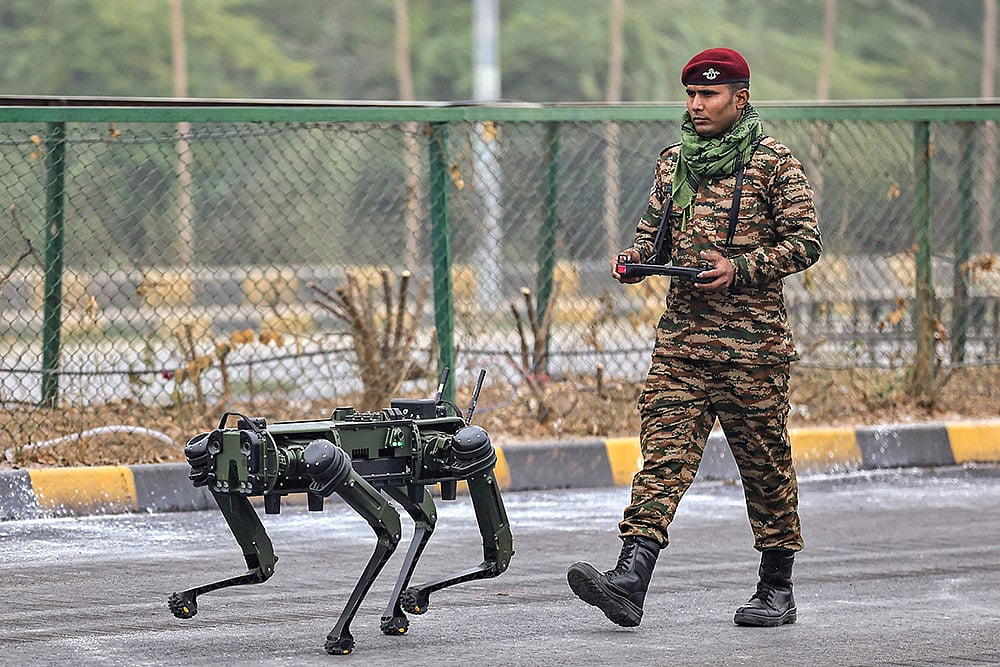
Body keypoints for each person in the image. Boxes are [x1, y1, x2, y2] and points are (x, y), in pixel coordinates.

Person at [567, 47, 822, 629]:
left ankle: (776, 588)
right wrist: (635, 260)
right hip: (683, 346)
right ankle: (630, 579)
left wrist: (743, 268)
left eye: (709, 94)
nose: (697, 104)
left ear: (741, 97)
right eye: (691, 94)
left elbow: (806, 244)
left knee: (765, 467)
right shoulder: (675, 162)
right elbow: (652, 235)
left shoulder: (774, 164)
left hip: (751, 351)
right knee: (661, 460)